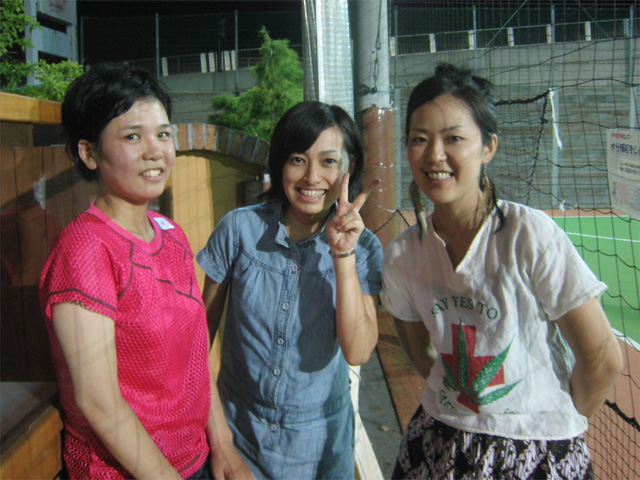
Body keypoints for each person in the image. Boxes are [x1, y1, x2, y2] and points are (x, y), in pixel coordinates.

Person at [381, 63, 623, 479]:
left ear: (488, 147)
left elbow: (602, 359)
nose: (435, 155)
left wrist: (551, 427)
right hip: (437, 440)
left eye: (453, 138)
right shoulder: (404, 253)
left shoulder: (529, 236)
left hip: (536, 449)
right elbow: (423, 354)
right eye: (419, 139)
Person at [39, 63, 253, 480]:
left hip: (195, 459)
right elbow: (99, 402)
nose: (155, 151)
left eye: (163, 134)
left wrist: (223, 444)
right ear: (89, 153)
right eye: (132, 136)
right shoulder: (84, 250)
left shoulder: (171, 234)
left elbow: (195, 355)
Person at [196, 101, 383, 479]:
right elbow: (197, 344)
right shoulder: (239, 230)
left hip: (320, 447)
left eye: (329, 161)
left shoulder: (363, 247)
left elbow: (358, 350)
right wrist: (219, 440)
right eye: (298, 159)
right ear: (280, 163)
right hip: (238, 433)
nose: (312, 176)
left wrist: (342, 254)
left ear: (349, 168)